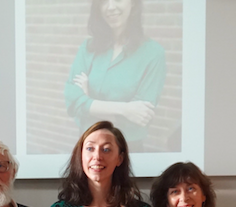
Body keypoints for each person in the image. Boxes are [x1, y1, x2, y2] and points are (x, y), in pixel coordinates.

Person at [64, 0, 166, 151]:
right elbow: (73, 101)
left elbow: (140, 117)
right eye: (104, 1)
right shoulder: (88, 47)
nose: (110, 7)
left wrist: (89, 103)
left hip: (127, 148)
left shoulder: (153, 53)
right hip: (88, 147)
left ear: (133, 3)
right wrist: (125, 109)